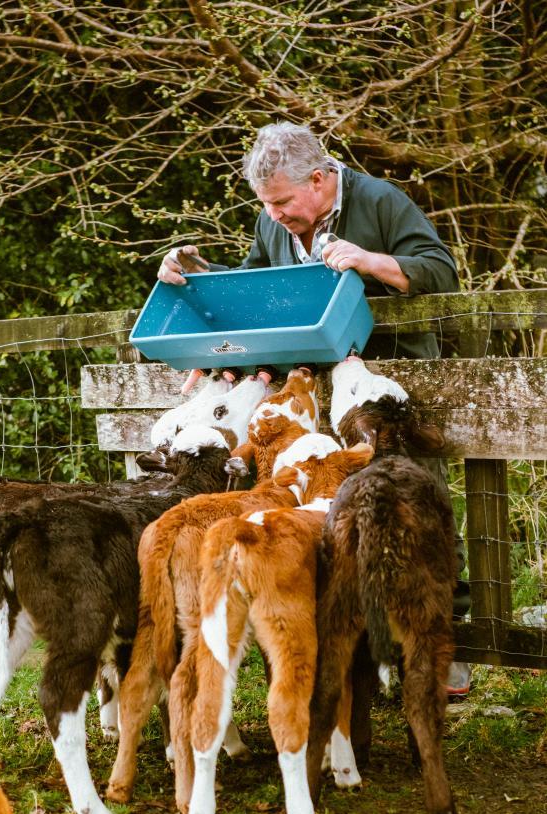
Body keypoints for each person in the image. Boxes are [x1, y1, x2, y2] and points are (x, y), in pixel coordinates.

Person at [157, 121, 470, 696]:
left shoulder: (379, 200)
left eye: (281, 202)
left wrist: (370, 260)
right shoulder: (272, 222)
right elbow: (255, 290)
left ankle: (440, 645)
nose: (273, 215)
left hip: (384, 390)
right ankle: (356, 651)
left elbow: (441, 272)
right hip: (311, 393)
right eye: (265, 204)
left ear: (321, 180)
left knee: (412, 505)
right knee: (331, 520)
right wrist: (195, 278)